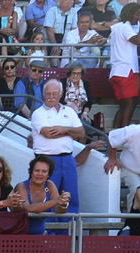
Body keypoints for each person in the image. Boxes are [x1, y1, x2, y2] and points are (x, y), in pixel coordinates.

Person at [31, 79, 83, 216]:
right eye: (48, 94)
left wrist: (63, 129)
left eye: (54, 93)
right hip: (46, 159)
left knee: (70, 194)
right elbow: (48, 133)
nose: (51, 97)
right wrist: (70, 131)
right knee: (48, 195)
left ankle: (70, 227)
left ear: (61, 94)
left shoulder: (69, 111)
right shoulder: (38, 113)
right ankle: (48, 227)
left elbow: (81, 132)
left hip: (67, 158)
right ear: (43, 94)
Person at [111, 3, 140, 127]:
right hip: (127, 70)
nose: (139, 17)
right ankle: (125, 132)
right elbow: (138, 41)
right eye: (137, 14)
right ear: (131, 14)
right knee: (131, 103)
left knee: (124, 106)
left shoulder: (116, 27)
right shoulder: (125, 27)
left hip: (116, 71)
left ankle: (115, 133)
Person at [15, 154, 69, 234]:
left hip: (42, 233)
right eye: (37, 170)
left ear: (48, 174)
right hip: (21, 234)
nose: (40, 174)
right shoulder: (21, 186)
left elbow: (58, 209)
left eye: (44, 171)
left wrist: (64, 204)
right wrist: (56, 201)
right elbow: (27, 208)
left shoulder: (50, 185)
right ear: (31, 172)